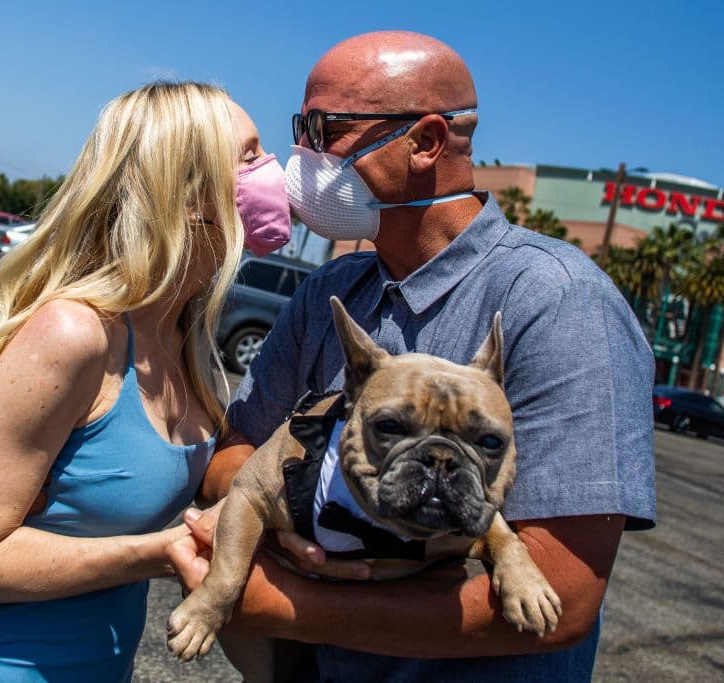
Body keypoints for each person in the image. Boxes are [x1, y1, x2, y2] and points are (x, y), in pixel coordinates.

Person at [169, 31, 656, 681]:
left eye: (325, 130)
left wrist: (293, 606)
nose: (303, 158)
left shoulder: (559, 302)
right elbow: (233, 456)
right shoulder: (330, 291)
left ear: (425, 142)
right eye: (300, 130)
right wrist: (292, 519)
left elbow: (562, 595)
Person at [0, 81, 291, 681]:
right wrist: (161, 552)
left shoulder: (183, 338)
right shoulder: (74, 333)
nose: (273, 170)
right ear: (188, 193)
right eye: (249, 155)